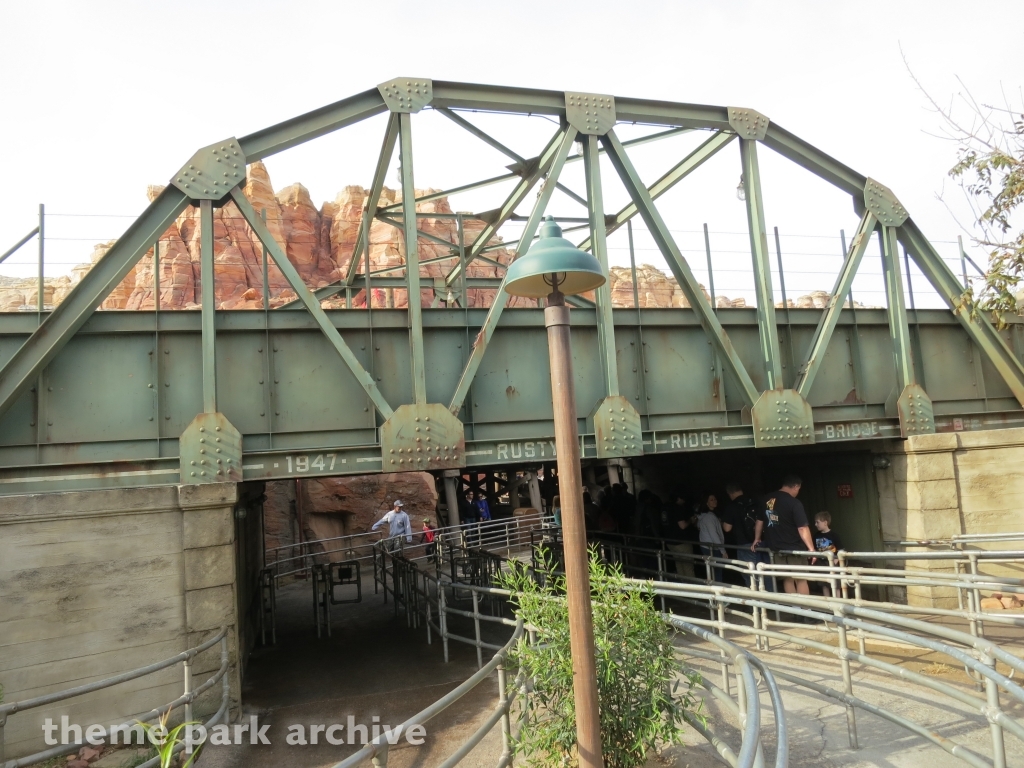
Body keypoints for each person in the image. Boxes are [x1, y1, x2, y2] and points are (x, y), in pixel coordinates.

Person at [751, 475, 815, 595]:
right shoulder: (794, 503)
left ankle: (794, 608)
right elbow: (802, 528)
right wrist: (811, 549)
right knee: (801, 579)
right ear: (796, 486)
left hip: (776, 547)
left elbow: (759, 521)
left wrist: (757, 538)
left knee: (787, 578)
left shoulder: (767, 499)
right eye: (798, 489)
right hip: (794, 548)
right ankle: (805, 610)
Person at [720, 481, 764, 588]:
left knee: (749, 574)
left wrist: (721, 522)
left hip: (744, 544)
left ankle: (755, 600)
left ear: (729, 493)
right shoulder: (755, 501)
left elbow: (727, 528)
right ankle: (768, 599)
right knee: (763, 573)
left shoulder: (732, 506)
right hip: (761, 542)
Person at [664, 496, 697, 580]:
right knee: (688, 568)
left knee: (679, 566)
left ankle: (683, 588)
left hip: (670, 542)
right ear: (680, 497)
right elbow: (682, 525)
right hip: (681, 542)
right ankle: (691, 590)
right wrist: (691, 520)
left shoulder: (665, 507)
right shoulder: (677, 508)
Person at [696, 493, 727, 583]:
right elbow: (714, 535)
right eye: (711, 500)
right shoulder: (709, 517)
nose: (715, 501)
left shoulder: (704, 515)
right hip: (713, 547)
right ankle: (717, 590)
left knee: (712, 571)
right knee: (717, 572)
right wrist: (723, 550)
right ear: (706, 503)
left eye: (715, 499)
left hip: (707, 546)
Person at [812, 511, 843, 597]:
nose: (815, 524)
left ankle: (837, 602)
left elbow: (840, 550)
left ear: (825, 522)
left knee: (836, 584)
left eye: (817, 522)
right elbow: (814, 549)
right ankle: (828, 602)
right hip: (821, 563)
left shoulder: (834, 536)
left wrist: (835, 562)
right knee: (824, 584)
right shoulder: (816, 536)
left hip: (833, 563)